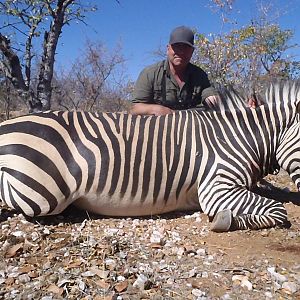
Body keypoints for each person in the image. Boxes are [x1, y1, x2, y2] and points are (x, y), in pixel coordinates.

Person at [130, 26, 221, 116]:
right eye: (176, 46)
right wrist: (156, 109)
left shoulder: (199, 75)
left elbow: (208, 91)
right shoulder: (150, 73)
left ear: (192, 51)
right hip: (158, 127)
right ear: (168, 49)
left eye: (186, 47)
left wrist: (212, 99)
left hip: (189, 127)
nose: (181, 52)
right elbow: (135, 108)